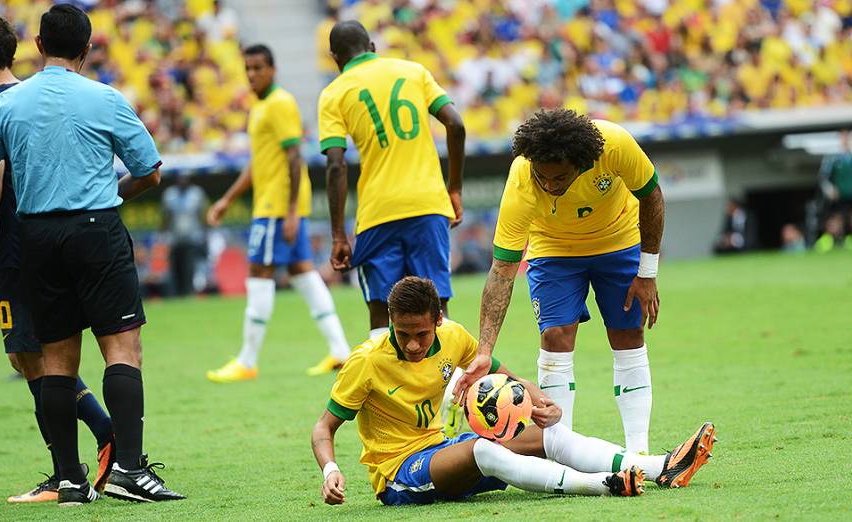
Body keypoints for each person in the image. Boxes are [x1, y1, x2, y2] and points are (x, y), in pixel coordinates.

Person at [0, 4, 183, 505]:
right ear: (88, 49)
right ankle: (127, 471)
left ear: (37, 45)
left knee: (56, 358)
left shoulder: (5, 106)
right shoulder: (106, 98)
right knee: (121, 349)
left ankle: (72, 481)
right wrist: (110, 191)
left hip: (35, 237)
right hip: (96, 229)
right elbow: (151, 172)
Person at [0, 7, 116, 503]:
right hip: (57, 241)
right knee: (30, 354)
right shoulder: (37, 94)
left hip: (18, 249)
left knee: (33, 360)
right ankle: (91, 448)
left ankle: (75, 463)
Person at [311, 276, 715, 506]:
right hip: (400, 474)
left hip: (443, 447)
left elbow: (508, 375)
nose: (413, 344)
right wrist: (331, 470)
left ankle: (661, 467)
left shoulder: (453, 337)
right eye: (403, 334)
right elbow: (323, 429)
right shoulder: (366, 360)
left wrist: (543, 404)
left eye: (421, 333)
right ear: (391, 322)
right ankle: (604, 484)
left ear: (437, 320)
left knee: (546, 435)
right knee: (483, 449)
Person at [454, 109, 666, 455]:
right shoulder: (522, 178)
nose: (550, 186)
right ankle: (560, 449)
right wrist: (485, 349)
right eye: (544, 178)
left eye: (560, 178)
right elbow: (502, 270)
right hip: (552, 249)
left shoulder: (614, 144)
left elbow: (652, 197)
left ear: (583, 163)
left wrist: (648, 273)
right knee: (555, 335)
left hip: (619, 240)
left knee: (628, 333)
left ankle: (638, 451)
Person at [205, 44, 352, 382]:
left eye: (258, 68)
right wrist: (227, 200)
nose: (252, 74)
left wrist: (288, 212)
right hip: (275, 205)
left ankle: (247, 360)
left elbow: (294, 157)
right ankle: (340, 350)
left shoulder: (280, 103)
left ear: (272, 69)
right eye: (248, 69)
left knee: (258, 273)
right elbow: (260, 162)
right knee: (303, 272)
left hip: (275, 208)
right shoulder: (258, 107)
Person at [318, 21, 466, 341]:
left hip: (378, 211)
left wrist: (338, 235)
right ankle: (449, 388)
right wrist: (453, 188)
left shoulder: (333, 93)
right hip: (428, 203)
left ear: (334, 58)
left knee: (380, 306)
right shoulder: (414, 71)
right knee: (436, 302)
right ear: (372, 47)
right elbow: (455, 125)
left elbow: (335, 165)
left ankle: (388, 388)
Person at [161, 171, 208, 297]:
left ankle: (188, 292)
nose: (183, 182)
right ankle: (177, 293)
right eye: (180, 179)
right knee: (175, 267)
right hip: (174, 238)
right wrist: (163, 235)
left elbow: (201, 216)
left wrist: (204, 235)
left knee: (189, 267)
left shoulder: (197, 194)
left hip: (192, 236)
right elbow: (166, 216)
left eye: (185, 179)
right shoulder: (169, 194)